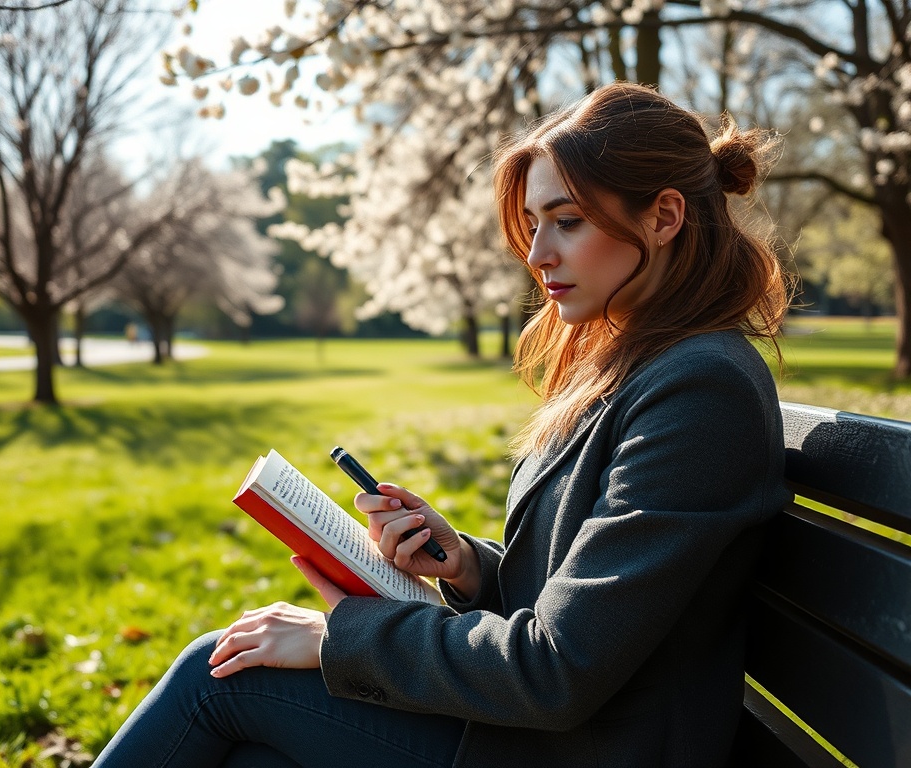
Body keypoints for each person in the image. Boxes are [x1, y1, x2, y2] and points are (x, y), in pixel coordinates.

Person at [92, 82, 792, 768]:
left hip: (578, 747)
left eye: (567, 221)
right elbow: (592, 606)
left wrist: (339, 637)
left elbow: (557, 670)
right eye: (535, 222)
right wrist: (465, 566)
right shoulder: (650, 363)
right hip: (538, 734)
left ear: (664, 217)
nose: (537, 253)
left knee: (214, 678)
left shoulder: (701, 389)